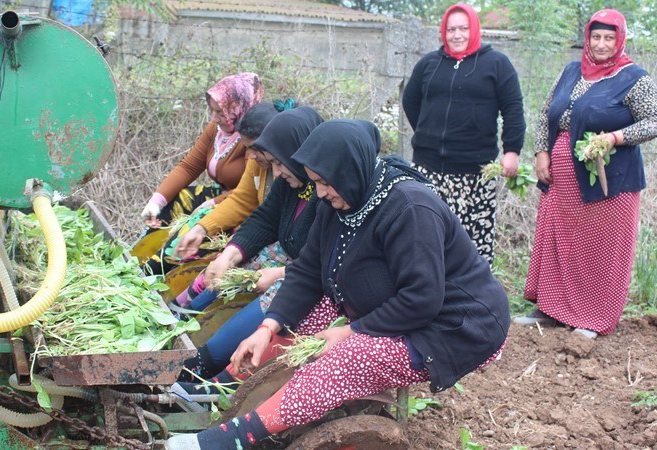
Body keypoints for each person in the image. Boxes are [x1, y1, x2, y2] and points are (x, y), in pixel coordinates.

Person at [166, 119, 510, 450]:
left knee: (349, 357)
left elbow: (422, 298)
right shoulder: (340, 199)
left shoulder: (410, 208)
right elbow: (307, 271)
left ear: (349, 171)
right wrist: (267, 328)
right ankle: (221, 385)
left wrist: (349, 332)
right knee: (303, 317)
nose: (319, 192)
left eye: (324, 182)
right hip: (396, 302)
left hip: (453, 323)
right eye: (314, 181)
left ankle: (235, 438)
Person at [516, 9, 657, 339]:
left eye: (610, 37)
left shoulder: (633, 77)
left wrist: (614, 137)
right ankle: (550, 309)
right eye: (596, 37)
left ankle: (593, 317)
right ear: (587, 38)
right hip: (561, 177)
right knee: (559, 242)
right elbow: (546, 114)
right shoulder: (570, 71)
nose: (602, 44)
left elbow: (654, 121)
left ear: (620, 40)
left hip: (610, 180)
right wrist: (541, 153)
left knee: (601, 246)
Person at [175, 106, 324, 380]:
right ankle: (182, 317)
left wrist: (281, 273)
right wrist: (228, 255)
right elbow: (265, 219)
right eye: (274, 164)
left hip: (305, 276)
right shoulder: (291, 182)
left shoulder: (325, 192)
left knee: (261, 307)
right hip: (285, 259)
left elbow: (323, 259)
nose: (276, 173)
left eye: (279, 164)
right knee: (226, 276)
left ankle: (204, 373)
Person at [402, 3, 526, 264]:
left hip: (475, 173)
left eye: (463, 29)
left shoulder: (496, 64)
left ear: (475, 29)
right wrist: (428, 133)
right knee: (428, 238)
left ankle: (476, 298)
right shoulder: (430, 64)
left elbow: (513, 109)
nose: (457, 35)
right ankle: (430, 293)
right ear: (443, 32)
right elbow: (410, 101)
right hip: (429, 170)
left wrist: (512, 151)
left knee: (473, 244)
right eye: (451, 29)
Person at [138, 72, 263, 273]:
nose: (214, 118)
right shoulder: (217, 130)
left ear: (238, 109)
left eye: (220, 112)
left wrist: (210, 205)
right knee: (180, 199)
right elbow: (189, 166)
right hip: (220, 196)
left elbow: (247, 194)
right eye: (213, 111)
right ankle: (140, 253)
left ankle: (152, 272)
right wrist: (156, 201)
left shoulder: (254, 140)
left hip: (240, 210)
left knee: (189, 228)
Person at [172, 99, 295, 261]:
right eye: (248, 149)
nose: (250, 156)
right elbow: (243, 200)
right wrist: (201, 229)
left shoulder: (294, 174)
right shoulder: (257, 161)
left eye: (256, 149)